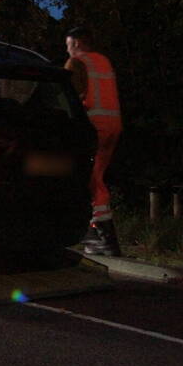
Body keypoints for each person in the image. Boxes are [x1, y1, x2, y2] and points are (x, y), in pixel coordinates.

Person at [65, 26, 122, 256]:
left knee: (89, 178)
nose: (67, 49)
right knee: (96, 176)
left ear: (77, 43)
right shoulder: (103, 62)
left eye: (68, 45)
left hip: (92, 126)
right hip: (112, 125)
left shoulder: (77, 63)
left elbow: (69, 97)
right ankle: (101, 236)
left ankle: (101, 235)